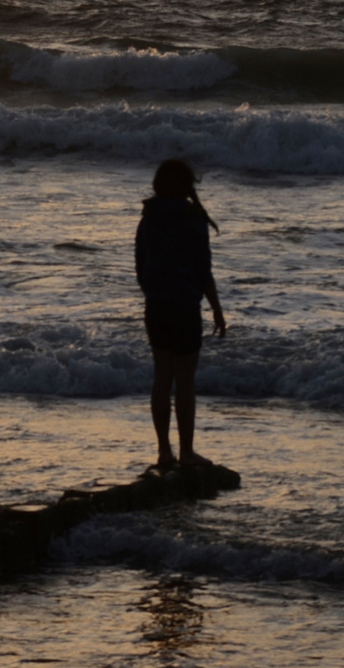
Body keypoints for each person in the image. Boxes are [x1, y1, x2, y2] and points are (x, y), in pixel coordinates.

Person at [135, 158, 226, 470]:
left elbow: (140, 264)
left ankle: (164, 452)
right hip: (185, 306)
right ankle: (186, 453)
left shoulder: (148, 217)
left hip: (157, 305)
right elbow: (203, 270)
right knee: (184, 380)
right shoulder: (192, 219)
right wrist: (216, 308)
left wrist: (152, 291)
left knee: (162, 376)